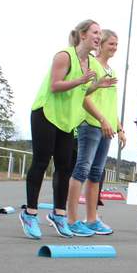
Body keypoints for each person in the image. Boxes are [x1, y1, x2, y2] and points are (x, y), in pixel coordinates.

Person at [18, 20, 111, 239]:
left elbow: (81, 93)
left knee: (64, 166)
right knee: (41, 162)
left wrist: (95, 86)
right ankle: (30, 213)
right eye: (95, 33)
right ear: (83, 35)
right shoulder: (64, 55)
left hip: (67, 120)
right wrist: (80, 80)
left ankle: (59, 215)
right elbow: (55, 85)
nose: (99, 36)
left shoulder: (90, 62)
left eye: (100, 34)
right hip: (46, 113)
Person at [66, 29, 123, 236]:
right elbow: (84, 97)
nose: (114, 48)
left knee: (96, 174)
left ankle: (92, 219)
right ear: (101, 44)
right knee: (81, 169)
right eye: (111, 44)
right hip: (90, 124)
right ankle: (71, 219)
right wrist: (101, 119)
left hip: (106, 127)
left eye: (116, 45)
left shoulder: (112, 71)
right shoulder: (91, 65)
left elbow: (111, 102)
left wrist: (118, 126)